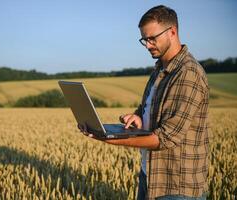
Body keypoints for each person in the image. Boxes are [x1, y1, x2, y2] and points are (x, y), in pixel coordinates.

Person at [78, 5, 209, 200]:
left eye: (152, 38)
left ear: (172, 32)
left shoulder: (187, 73)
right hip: (151, 176)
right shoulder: (159, 70)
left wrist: (110, 138)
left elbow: (167, 138)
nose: (147, 45)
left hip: (177, 186)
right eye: (144, 40)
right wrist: (138, 117)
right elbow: (148, 110)